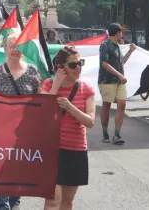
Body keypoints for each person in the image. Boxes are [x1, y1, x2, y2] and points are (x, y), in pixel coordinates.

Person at [0, 33, 41, 210]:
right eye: (11, 46)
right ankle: (2, 204)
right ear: (5, 49)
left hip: (23, 130)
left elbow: (39, 99)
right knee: (2, 167)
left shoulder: (33, 71)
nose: (14, 49)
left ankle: (15, 202)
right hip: (1, 130)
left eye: (18, 46)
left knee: (19, 165)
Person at [41, 46, 95, 210]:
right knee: (52, 200)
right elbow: (41, 111)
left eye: (80, 63)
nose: (78, 68)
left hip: (76, 150)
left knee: (67, 202)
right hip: (52, 150)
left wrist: (71, 108)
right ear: (60, 67)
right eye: (73, 65)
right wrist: (55, 86)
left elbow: (90, 122)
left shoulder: (86, 89)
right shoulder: (48, 84)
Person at [98, 23, 135, 145]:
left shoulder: (117, 46)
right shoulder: (105, 45)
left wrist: (130, 51)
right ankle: (105, 133)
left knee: (122, 104)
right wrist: (118, 75)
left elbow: (121, 62)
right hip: (107, 80)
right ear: (117, 32)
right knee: (107, 105)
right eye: (121, 32)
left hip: (119, 81)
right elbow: (104, 63)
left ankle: (117, 134)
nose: (122, 34)